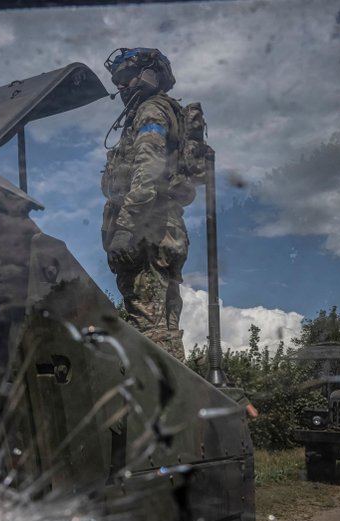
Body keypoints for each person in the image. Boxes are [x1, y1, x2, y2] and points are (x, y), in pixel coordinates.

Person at [100, 47, 194, 362]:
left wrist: (125, 226)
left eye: (128, 79)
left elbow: (148, 169)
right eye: (119, 83)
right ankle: (176, 403)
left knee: (152, 331)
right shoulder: (163, 111)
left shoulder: (151, 110)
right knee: (158, 328)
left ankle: (171, 407)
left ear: (152, 75)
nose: (123, 88)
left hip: (146, 231)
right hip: (159, 229)